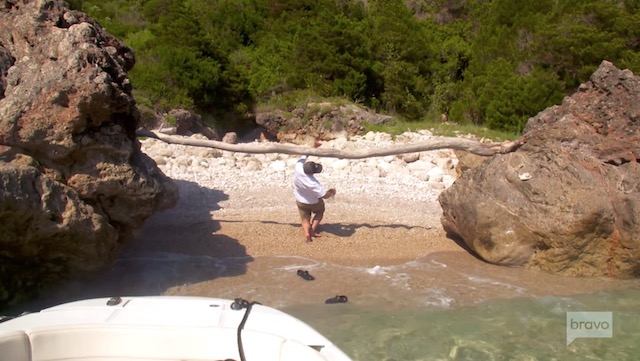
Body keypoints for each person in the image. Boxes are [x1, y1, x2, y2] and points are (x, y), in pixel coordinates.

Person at [293, 156, 336, 243]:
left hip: (300, 200)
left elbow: (302, 157)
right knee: (320, 212)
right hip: (314, 202)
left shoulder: (298, 168)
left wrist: (312, 147)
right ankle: (312, 229)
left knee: (305, 218)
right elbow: (324, 195)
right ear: (313, 173)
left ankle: (307, 233)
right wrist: (331, 192)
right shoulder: (313, 183)